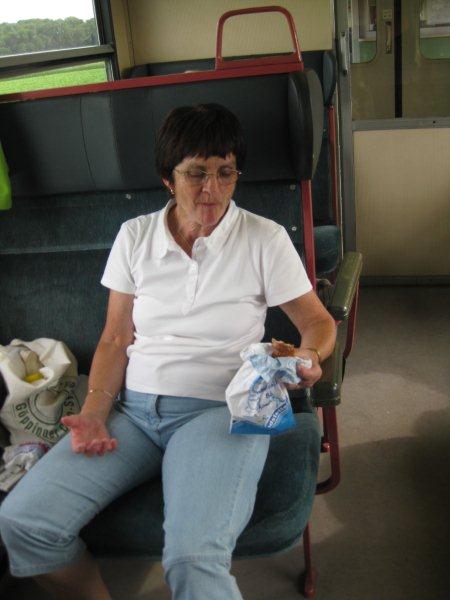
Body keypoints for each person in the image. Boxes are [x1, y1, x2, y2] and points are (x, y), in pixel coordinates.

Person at [0, 103, 336, 600]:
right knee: (24, 522)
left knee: (193, 559)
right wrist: (94, 412)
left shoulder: (263, 238)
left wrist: (310, 357)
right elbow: (115, 338)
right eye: (196, 173)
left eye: (226, 173)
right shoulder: (134, 236)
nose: (212, 189)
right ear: (167, 178)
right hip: (133, 414)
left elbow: (317, 322)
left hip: (222, 411)